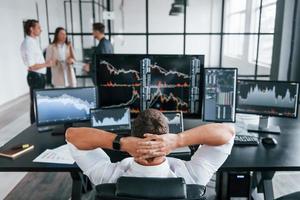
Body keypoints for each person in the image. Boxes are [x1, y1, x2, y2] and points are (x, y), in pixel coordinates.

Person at [66, 109, 235, 186]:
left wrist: (122, 142)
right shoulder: (193, 177)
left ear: (133, 135)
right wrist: (178, 140)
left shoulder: (107, 178)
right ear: (167, 135)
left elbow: (71, 135)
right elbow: (228, 132)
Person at [20, 19, 52, 124]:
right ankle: (35, 126)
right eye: (38, 27)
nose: (41, 30)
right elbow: (32, 66)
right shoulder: (29, 43)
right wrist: (47, 64)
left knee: (37, 103)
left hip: (38, 76)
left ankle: (38, 124)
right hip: (35, 76)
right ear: (31, 29)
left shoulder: (32, 42)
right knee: (36, 103)